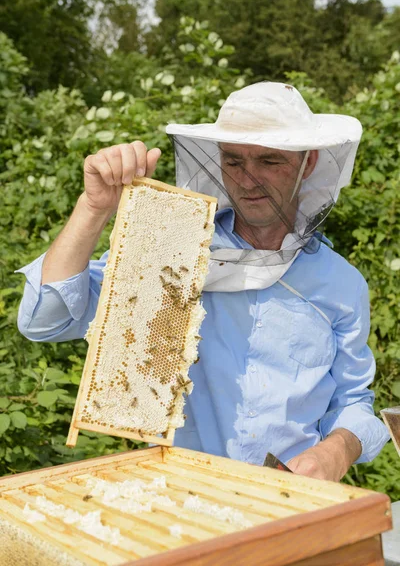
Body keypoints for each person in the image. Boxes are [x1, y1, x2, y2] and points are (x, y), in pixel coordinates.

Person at [16, 82, 389, 481]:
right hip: (181, 495)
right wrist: (93, 208)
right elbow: (45, 321)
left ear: (308, 164)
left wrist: (338, 449)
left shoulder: (341, 283)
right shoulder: (170, 253)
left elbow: (353, 400)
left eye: (269, 161)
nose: (248, 180)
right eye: (233, 161)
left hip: (289, 498)